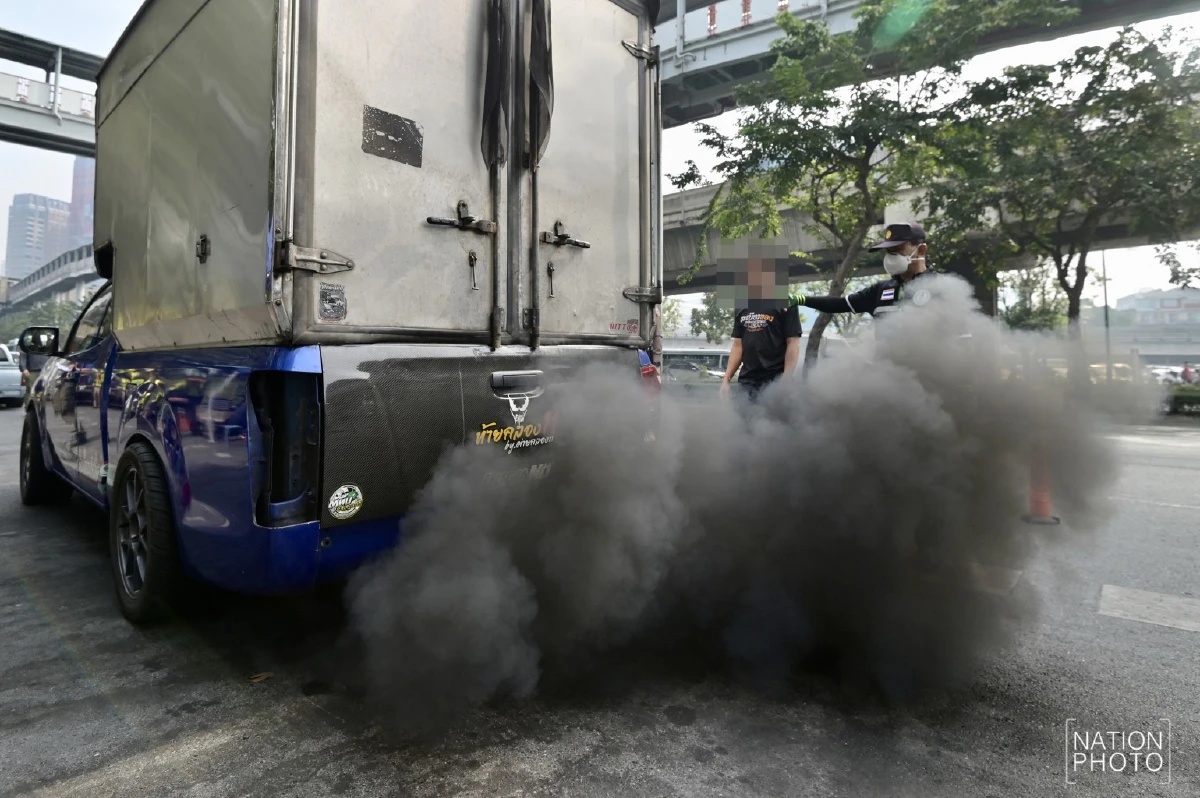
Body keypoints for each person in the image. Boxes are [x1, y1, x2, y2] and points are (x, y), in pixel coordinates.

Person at [789, 222, 935, 318]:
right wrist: (801, 299)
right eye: (889, 251)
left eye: (898, 249)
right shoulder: (880, 290)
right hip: (886, 358)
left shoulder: (941, 286)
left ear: (921, 250)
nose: (892, 256)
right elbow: (841, 304)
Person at [720, 258, 803, 402]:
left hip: (774, 381)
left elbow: (793, 343)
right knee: (743, 416)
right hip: (747, 382)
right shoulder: (741, 305)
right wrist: (726, 378)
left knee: (772, 417)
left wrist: (786, 378)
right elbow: (738, 346)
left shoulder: (785, 302)